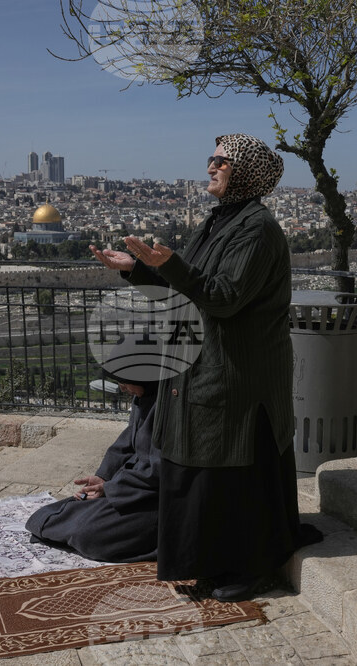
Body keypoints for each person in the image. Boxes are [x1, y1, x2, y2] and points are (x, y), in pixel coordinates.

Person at [90, 133, 313, 602]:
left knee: (234, 468)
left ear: (245, 173)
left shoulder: (257, 229)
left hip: (237, 370)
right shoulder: (219, 221)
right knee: (207, 469)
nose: (210, 167)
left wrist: (171, 264)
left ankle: (249, 565)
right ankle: (210, 561)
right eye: (211, 159)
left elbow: (224, 298)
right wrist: (136, 269)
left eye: (221, 162)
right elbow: (187, 287)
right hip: (205, 360)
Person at [25, 381, 161, 563]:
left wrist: (110, 488)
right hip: (126, 488)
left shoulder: (167, 406)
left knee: (87, 535)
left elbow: (158, 471)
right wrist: (103, 476)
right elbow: (127, 442)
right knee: (46, 516)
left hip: (152, 497)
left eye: (125, 383)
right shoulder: (141, 397)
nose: (122, 388)